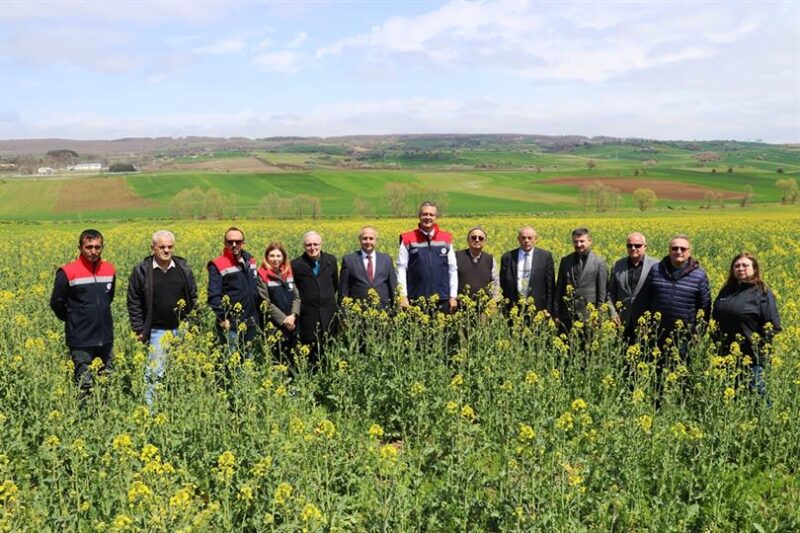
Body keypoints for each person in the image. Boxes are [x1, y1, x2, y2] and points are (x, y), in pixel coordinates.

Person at [127, 230, 197, 404]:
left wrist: (193, 325)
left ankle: (177, 405)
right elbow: (133, 301)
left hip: (181, 330)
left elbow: (193, 297)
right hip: (156, 331)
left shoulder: (183, 268)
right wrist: (138, 329)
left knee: (181, 370)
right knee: (154, 373)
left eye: (170, 247)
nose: (166, 250)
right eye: (162, 247)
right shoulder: (142, 270)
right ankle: (151, 412)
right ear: (153, 248)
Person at [50, 229, 116, 395]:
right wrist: (74, 319)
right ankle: (84, 418)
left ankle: (104, 418)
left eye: (97, 247)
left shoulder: (109, 270)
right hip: (81, 340)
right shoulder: (67, 272)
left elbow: (109, 298)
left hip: (105, 338)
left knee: (106, 383)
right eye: (89, 247)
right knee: (84, 385)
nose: (93, 251)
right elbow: (57, 303)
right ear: (80, 247)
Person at [712, 252, 781, 396]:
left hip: (751, 357)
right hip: (725, 355)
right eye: (737, 265)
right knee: (728, 395)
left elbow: (773, 325)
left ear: (754, 269)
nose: (741, 268)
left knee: (757, 395)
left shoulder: (762, 292)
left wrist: (758, 348)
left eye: (745, 265)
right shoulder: (726, 290)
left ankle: (764, 419)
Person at [634, 234, 711, 350]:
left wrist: (698, 333)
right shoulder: (656, 270)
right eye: (674, 248)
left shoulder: (699, 275)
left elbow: (705, 307)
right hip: (655, 334)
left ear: (689, 252)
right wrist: (642, 327)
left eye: (683, 249)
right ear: (669, 251)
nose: (678, 251)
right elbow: (643, 299)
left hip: (684, 337)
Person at [397, 201, 458, 313]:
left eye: (431, 215)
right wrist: (403, 296)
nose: (428, 217)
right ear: (419, 216)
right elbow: (401, 268)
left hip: (442, 298)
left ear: (436, 217)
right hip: (415, 298)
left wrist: (453, 296)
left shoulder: (446, 238)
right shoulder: (407, 238)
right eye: (424, 214)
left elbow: (452, 269)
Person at [207, 227, 259, 352]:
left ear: (243, 243)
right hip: (231, 323)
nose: (234, 245)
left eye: (238, 241)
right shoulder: (218, 264)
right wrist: (223, 318)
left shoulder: (251, 261)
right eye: (230, 242)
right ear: (225, 244)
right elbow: (214, 295)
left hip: (250, 321)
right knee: (232, 362)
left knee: (248, 360)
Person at [291, 231, 338, 360]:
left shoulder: (331, 260)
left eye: (315, 244)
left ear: (321, 244)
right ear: (304, 246)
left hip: (329, 314)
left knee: (330, 349)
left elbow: (335, 285)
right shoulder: (295, 265)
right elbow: (294, 291)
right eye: (309, 245)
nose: (312, 248)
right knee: (310, 352)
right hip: (308, 316)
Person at [555, 227, 608, 331]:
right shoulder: (565, 261)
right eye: (575, 242)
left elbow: (602, 293)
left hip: (589, 315)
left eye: (582, 241)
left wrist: (598, 316)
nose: (578, 245)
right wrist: (556, 313)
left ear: (589, 241)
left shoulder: (599, 262)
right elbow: (559, 289)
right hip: (567, 315)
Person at [257, 242, 301, 358]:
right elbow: (265, 302)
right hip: (274, 325)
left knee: (293, 358)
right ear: (266, 257)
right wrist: (284, 319)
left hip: (292, 324)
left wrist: (293, 315)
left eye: (278, 256)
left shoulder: (288, 273)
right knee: (276, 358)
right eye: (272, 256)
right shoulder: (261, 275)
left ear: (283, 257)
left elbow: (296, 297)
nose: (275, 259)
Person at [499, 225, 555, 315]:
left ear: (535, 239)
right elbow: (503, 284)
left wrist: (549, 309)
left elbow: (550, 286)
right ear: (518, 239)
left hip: (538, 309)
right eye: (523, 238)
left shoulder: (545, 257)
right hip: (513, 308)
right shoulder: (508, 257)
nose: (526, 241)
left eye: (530, 238)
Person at [608, 232, 657, 331]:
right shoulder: (617, 265)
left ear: (645, 247)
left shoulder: (656, 265)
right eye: (629, 245)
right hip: (622, 322)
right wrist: (613, 314)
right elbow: (610, 293)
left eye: (637, 245)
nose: (633, 248)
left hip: (647, 323)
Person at [339, 226, 397, 310]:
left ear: (376, 240)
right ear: (360, 240)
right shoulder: (349, 260)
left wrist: (395, 309)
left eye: (371, 238)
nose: (368, 241)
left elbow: (393, 286)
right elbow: (343, 290)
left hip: (384, 310)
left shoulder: (386, 260)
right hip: (358, 312)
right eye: (365, 238)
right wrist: (345, 313)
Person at [455, 226, 499, 301]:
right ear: (468, 240)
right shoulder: (456, 257)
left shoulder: (490, 259)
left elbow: (495, 283)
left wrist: (494, 302)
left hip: (483, 307)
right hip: (460, 305)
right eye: (473, 237)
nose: (477, 240)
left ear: (485, 242)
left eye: (481, 238)